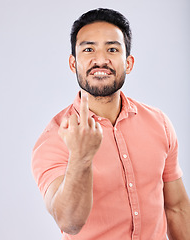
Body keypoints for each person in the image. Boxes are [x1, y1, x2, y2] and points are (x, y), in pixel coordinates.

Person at [31, 8, 190, 240]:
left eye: (112, 49)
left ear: (129, 63)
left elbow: (176, 207)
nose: (101, 60)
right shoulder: (54, 139)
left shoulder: (159, 123)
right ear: (73, 64)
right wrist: (81, 157)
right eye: (88, 49)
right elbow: (69, 222)